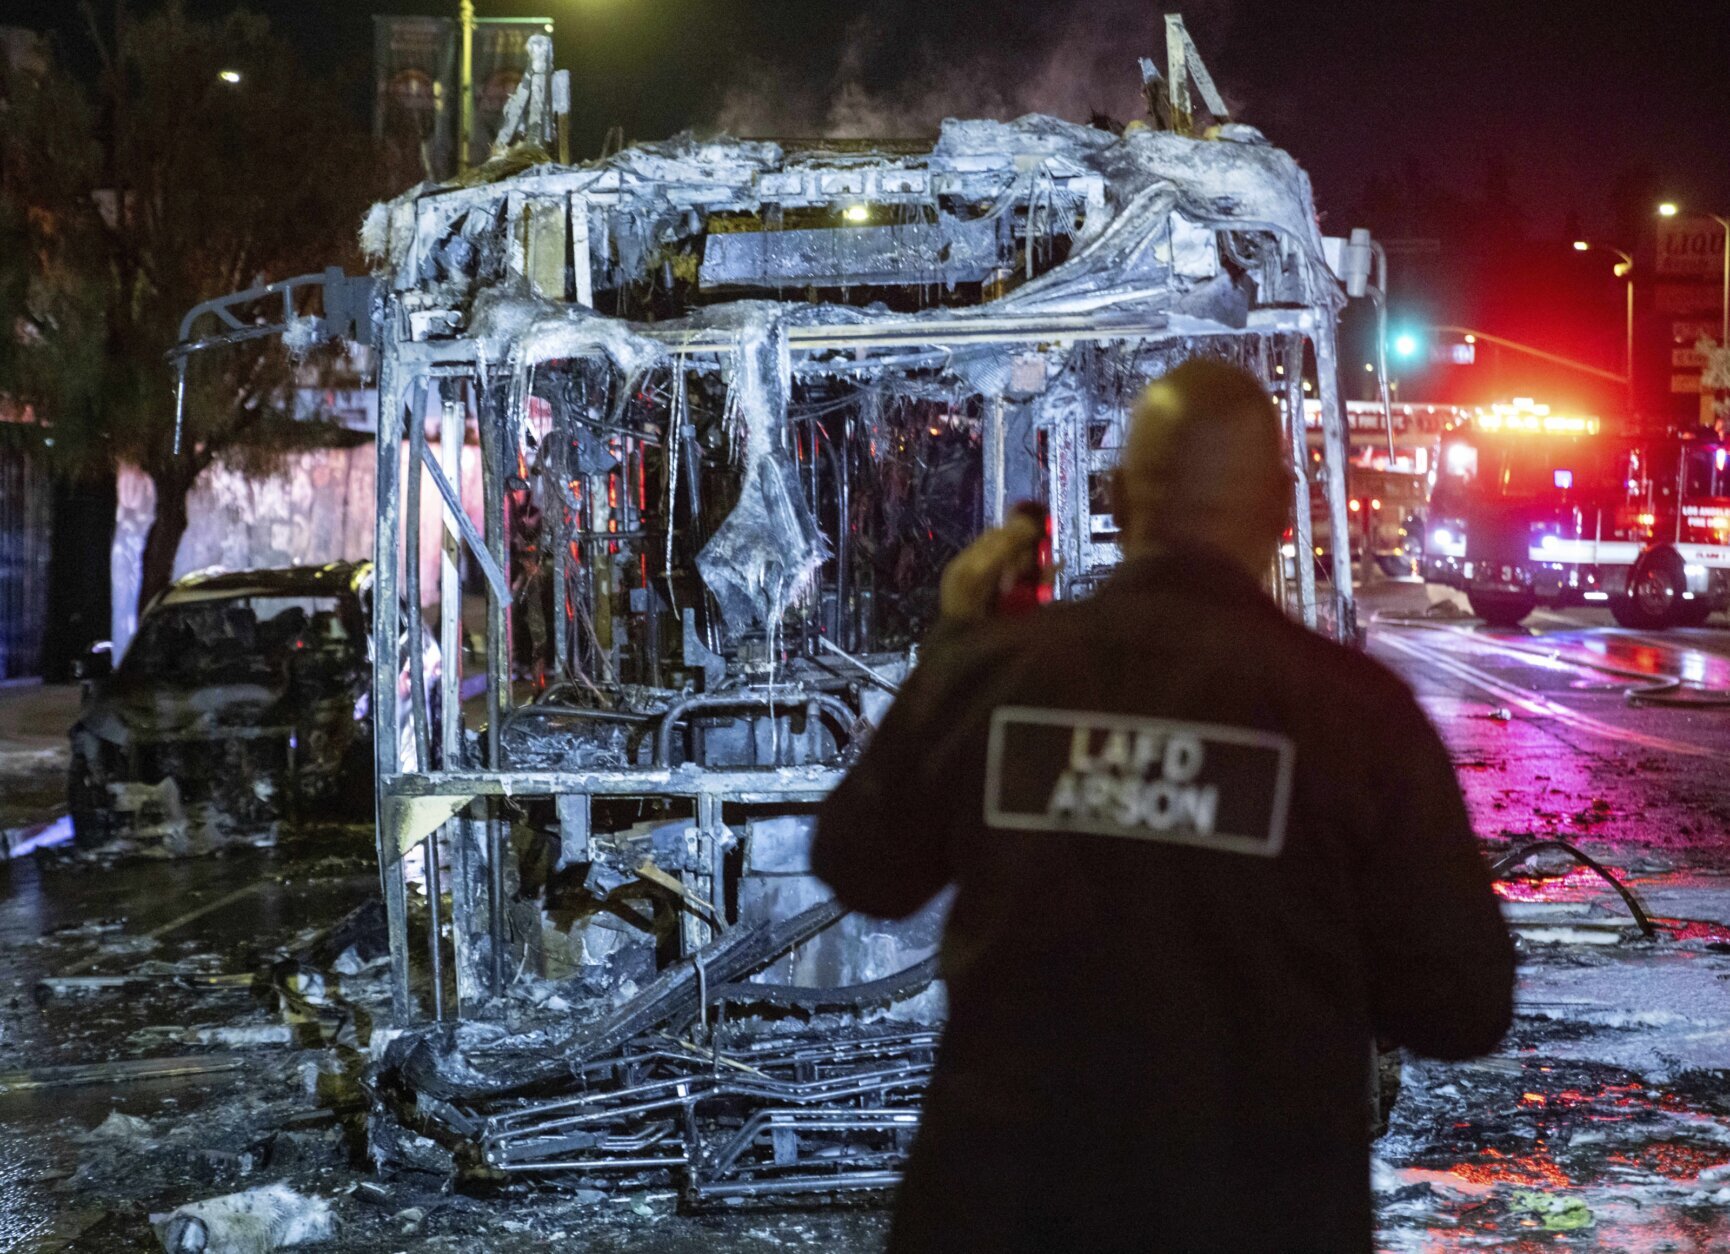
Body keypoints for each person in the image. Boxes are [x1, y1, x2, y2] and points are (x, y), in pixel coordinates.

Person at [811, 358, 1515, 1254]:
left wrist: (957, 646)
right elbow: (1463, 1005)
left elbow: (861, 866)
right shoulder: (1358, 717)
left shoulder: (1003, 676)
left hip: (1004, 1208)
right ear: (1281, 510)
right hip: (1256, 1215)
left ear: (1120, 499)